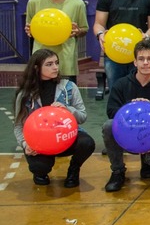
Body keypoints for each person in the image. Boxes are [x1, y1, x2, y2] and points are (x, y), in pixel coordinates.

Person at [13, 49, 95, 188]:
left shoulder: (69, 87)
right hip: (40, 142)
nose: (55, 67)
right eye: (49, 64)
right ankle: (40, 172)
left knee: (87, 143)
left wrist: (68, 109)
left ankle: (74, 170)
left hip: (65, 138)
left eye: (56, 63)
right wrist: (25, 145)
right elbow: (18, 126)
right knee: (39, 167)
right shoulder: (25, 94)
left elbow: (82, 117)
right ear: (36, 68)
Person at [102, 40, 150, 192]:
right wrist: (131, 107)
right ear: (135, 62)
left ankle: (147, 163)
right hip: (126, 136)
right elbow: (111, 111)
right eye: (141, 59)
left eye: (149, 59)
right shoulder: (121, 84)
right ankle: (118, 171)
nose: (145, 63)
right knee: (108, 126)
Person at [25, 0, 89, 83]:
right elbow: (30, 28)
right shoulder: (34, 1)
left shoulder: (77, 3)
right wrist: (29, 31)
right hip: (41, 62)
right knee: (40, 100)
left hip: (66, 63)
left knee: (66, 100)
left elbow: (84, 29)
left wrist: (77, 31)